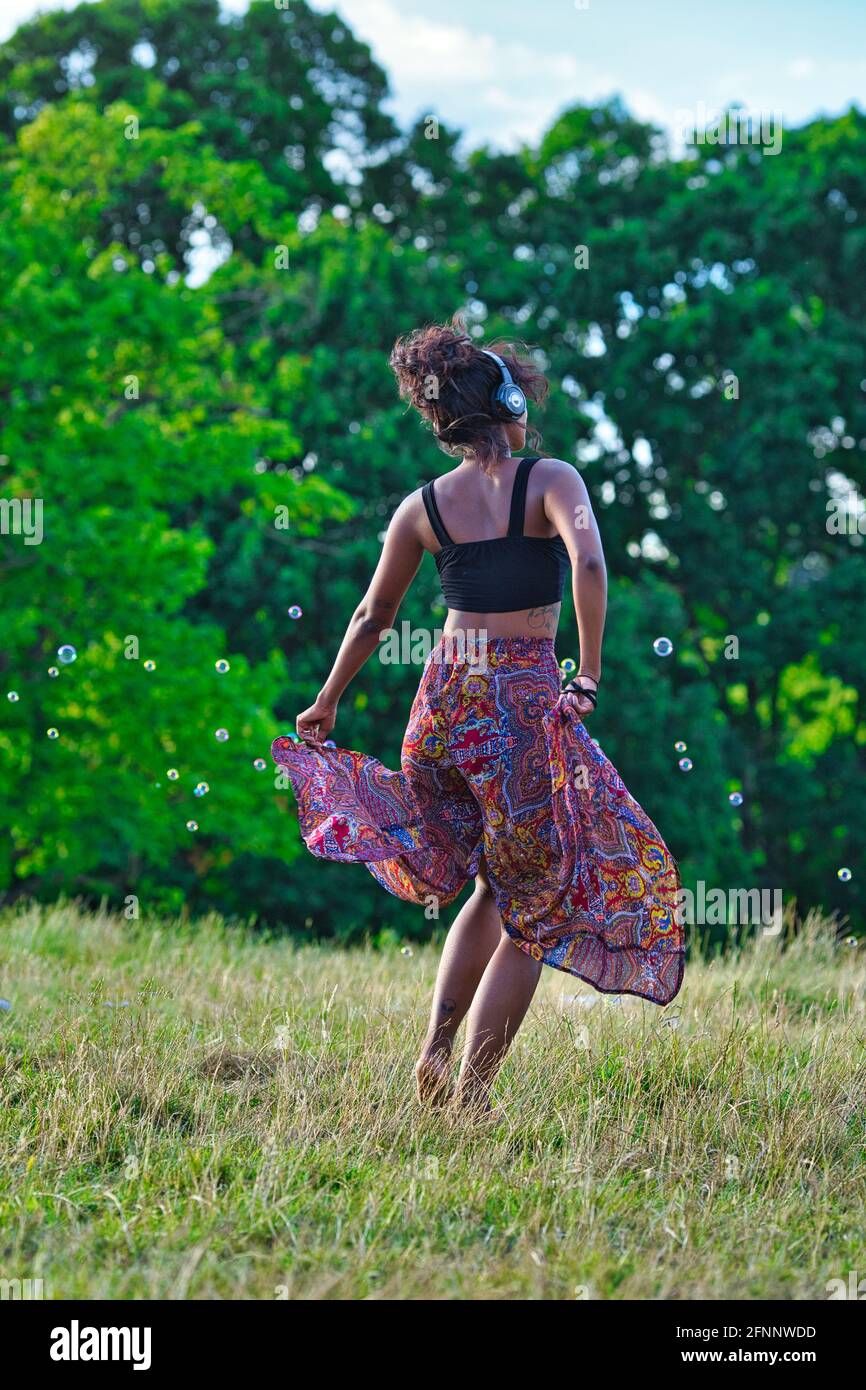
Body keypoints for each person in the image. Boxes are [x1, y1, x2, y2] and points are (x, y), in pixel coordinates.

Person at [272, 318, 683, 1113]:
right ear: (506, 404)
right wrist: (588, 673)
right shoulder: (552, 479)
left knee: (491, 892)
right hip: (520, 704)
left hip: (442, 705)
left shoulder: (422, 507)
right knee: (532, 902)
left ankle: (432, 1052)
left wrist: (327, 700)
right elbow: (590, 561)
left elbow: (372, 614)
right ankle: (472, 1092)